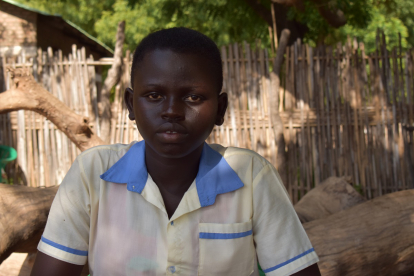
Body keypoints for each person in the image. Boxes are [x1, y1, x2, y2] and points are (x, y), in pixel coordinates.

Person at [30, 27, 321, 276]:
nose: (171, 111)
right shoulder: (92, 174)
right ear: (131, 105)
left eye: (193, 97)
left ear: (220, 109)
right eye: (154, 96)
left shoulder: (251, 177)